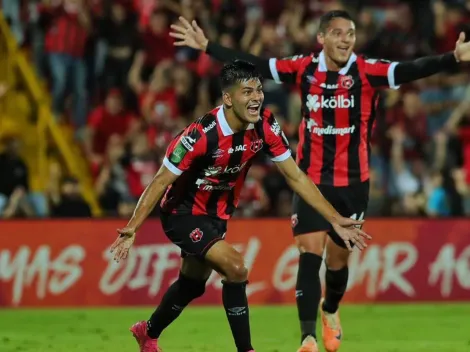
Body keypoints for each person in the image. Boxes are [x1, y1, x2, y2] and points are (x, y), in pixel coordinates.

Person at [169, 10, 470, 352]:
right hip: (311, 180)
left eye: (351, 34)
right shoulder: (304, 68)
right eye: (339, 33)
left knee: (337, 264)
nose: (346, 39)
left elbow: (412, 68)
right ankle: (307, 337)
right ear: (322, 38)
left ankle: (330, 308)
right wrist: (208, 46)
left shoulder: (367, 71)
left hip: (354, 184)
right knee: (309, 253)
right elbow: (258, 63)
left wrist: (452, 57)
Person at [109, 60, 371, 352]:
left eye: (258, 90)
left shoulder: (265, 125)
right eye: (247, 92)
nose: (256, 97)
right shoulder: (199, 135)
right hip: (182, 213)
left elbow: (295, 176)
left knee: (192, 283)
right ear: (228, 98)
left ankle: (148, 332)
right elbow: (160, 181)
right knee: (236, 268)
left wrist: (334, 218)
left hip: (217, 215)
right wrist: (132, 228)